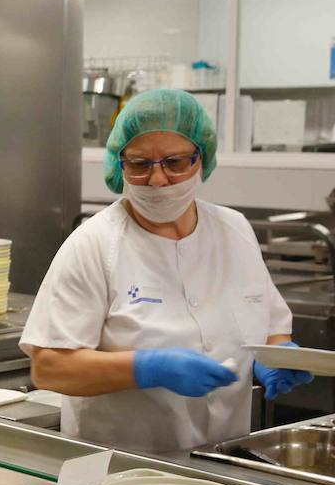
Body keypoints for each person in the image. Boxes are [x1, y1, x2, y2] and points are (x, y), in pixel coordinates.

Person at [21, 89, 311, 453]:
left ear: (201, 159)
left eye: (175, 162)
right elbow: (49, 368)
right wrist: (147, 368)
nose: (158, 180)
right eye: (140, 165)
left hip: (224, 463)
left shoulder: (235, 230)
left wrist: (277, 359)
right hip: (120, 471)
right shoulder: (94, 244)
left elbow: (269, 330)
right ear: (118, 165)